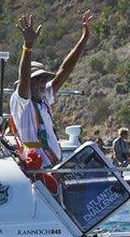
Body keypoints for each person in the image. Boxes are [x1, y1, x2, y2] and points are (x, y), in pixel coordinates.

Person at [9, 11, 93, 174]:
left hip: (53, 170)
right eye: (38, 78)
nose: (42, 82)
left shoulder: (44, 98)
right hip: (36, 172)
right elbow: (24, 77)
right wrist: (28, 46)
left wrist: (85, 38)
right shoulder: (22, 102)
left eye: (44, 78)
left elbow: (65, 69)